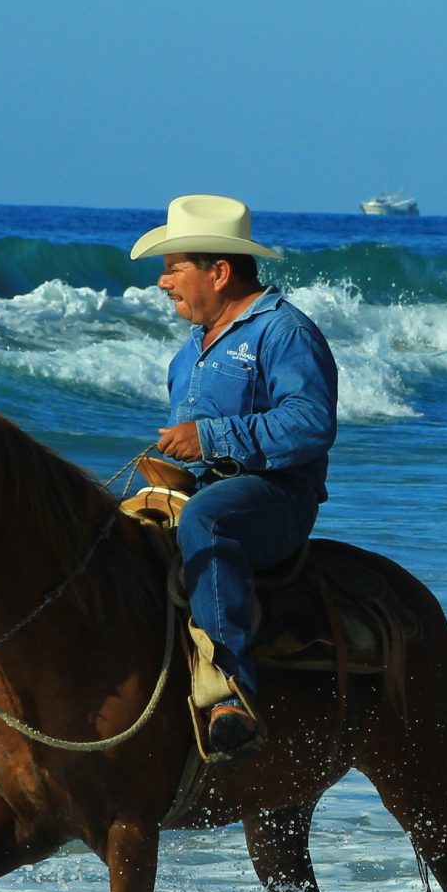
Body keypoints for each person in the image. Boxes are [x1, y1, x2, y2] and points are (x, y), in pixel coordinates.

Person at [131, 194, 339, 757]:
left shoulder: (284, 332)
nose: (162, 281)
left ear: (219, 272)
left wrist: (211, 437)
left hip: (276, 496)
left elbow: (311, 423)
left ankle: (231, 689)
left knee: (208, 516)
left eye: (174, 267)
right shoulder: (188, 352)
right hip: (201, 487)